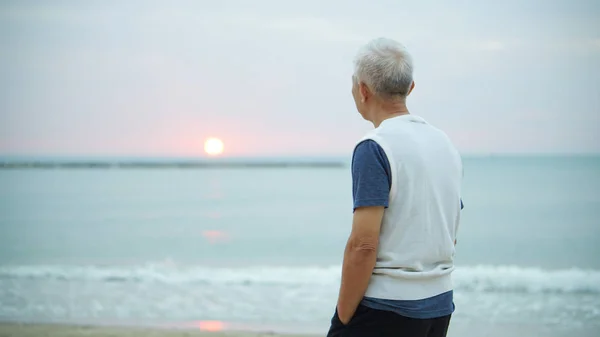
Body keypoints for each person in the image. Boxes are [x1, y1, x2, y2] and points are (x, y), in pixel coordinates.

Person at [327, 38, 464, 337]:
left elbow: (363, 245)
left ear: (362, 90)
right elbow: (450, 229)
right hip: (439, 305)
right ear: (410, 87)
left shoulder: (374, 147)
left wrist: (343, 317)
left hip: (386, 308)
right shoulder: (445, 144)